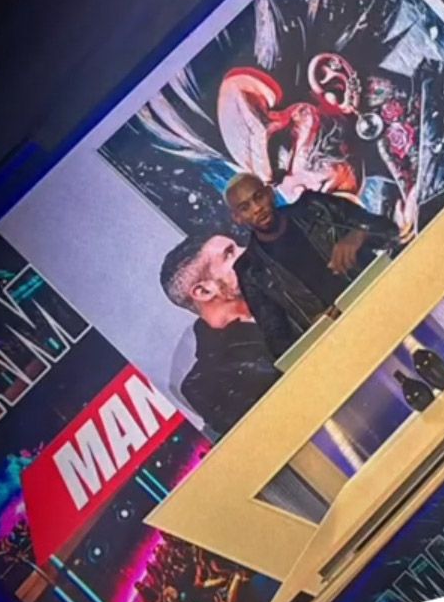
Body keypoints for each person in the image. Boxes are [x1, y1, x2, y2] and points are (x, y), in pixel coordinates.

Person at [225, 173, 402, 337]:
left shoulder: (316, 207)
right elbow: (277, 339)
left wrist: (360, 234)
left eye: (258, 197)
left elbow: (390, 231)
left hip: (383, 303)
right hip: (343, 340)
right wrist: (312, 332)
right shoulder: (250, 270)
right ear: (237, 218)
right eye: (245, 207)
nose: (257, 208)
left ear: (270, 193)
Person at [159, 233, 292, 436]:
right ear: (204, 291)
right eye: (229, 254)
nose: (244, 251)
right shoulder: (206, 384)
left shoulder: (282, 289)